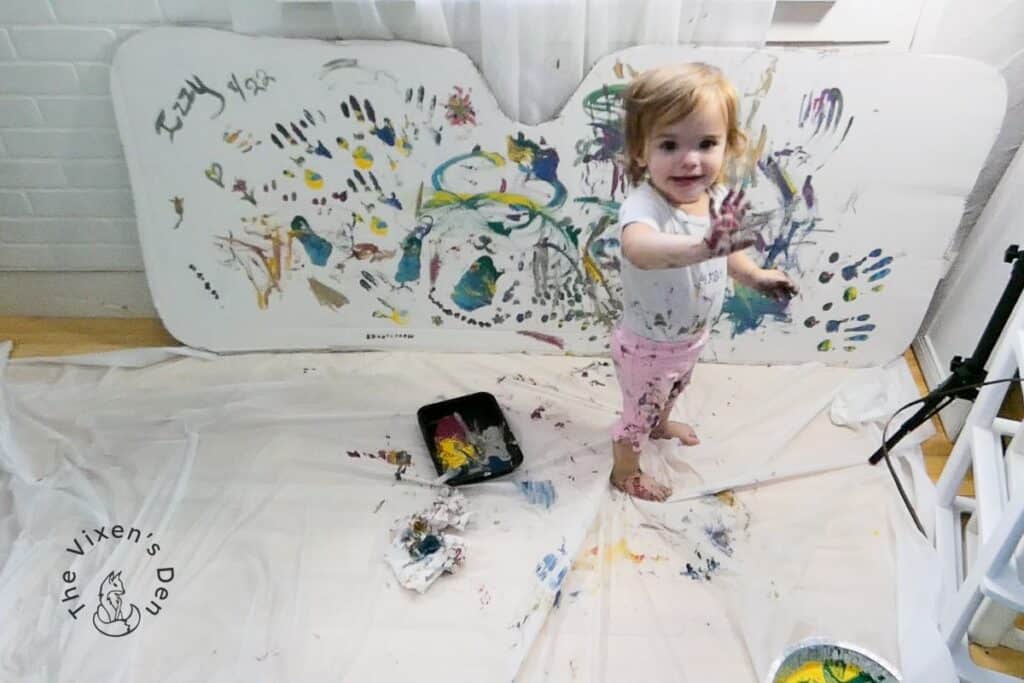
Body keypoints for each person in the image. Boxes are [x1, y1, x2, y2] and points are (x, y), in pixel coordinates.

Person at [611, 63, 798, 501]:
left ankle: (661, 423)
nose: (690, 159)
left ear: (728, 147)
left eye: (707, 143)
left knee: (675, 391)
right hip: (647, 345)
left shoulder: (711, 199)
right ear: (641, 151)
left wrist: (755, 275)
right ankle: (625, 472)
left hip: (690, 339)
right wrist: (700, 249)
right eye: (669, 144)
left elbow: (727, 251)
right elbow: (637, 248)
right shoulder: (645, 205)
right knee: (635, 417)